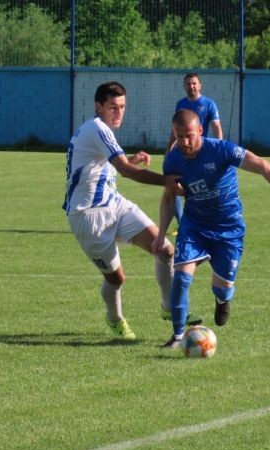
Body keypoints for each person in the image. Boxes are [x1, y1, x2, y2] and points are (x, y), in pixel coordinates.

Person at [155, 110, 270, 349]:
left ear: (200, 131)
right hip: (195, 226)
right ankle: (177, 337)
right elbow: (169, 197)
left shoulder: (222, 150)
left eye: (189, 136)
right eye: (179, 137)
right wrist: (160, 234)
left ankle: (222, 300)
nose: (185, 142)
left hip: (228, 229)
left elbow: (262, 166)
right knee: (181, 278)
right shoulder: (173, 160)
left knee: (222, 287)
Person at [64, 81, 189, 341]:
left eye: (122, 107)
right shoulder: (98, 128)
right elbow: (125, 171)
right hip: (87, 216)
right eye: (113, 107)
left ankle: (169, 308)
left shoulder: (98, 129)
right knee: (116, 279)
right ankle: (115, 319)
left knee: (165, 249)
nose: (119, 112)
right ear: (99, 106)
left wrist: (130, 160)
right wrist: (165, 181)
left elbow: (102, 167)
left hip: (114, 204)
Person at [167, 73, 223, 223]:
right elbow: (175, 130)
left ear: (199, 85)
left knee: (200, 187)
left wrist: (219, 146)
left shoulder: (209, 104)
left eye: (194, 83)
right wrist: (169, 148)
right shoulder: (180, 104)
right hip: (181, 152)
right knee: (173, 183)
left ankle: (205, 218)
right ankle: (181, 222)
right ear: (184, 86)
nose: (191, 86)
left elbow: (216, 126)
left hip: (200, 152)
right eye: (188, 83)